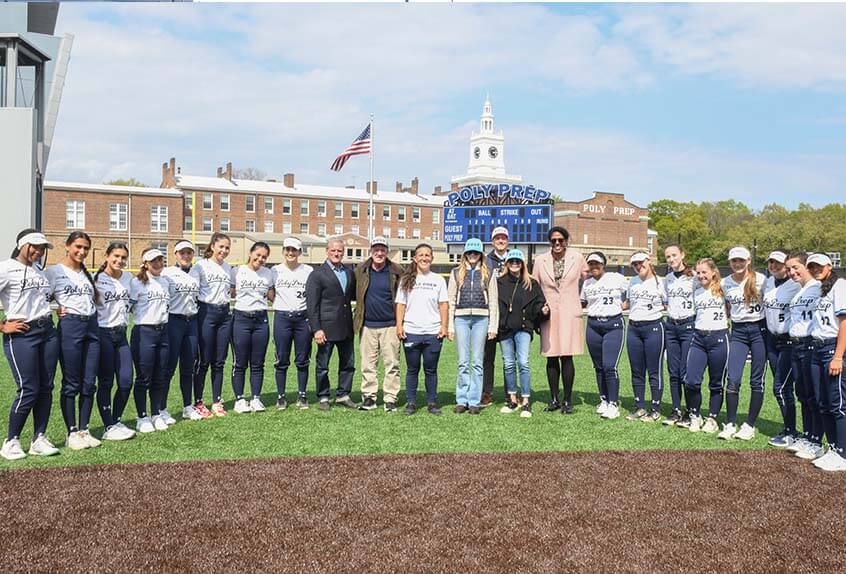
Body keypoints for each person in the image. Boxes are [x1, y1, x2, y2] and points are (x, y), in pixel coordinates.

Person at [0, 230, 60, 460]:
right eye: (35, 246)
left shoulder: (39, 271)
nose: (39, 251)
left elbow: (44, 299)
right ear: (23, 245)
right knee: (28, 388)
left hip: (47, 331)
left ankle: (39, 438)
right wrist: (3, 326)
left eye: (43, 248)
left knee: (46, 387)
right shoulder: (6, 268)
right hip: (23, 334)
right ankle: (11, 441)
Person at [46, 231, 102, 450]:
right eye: (78, 246)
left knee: (89, 382)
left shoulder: (88, 275)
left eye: (86, 248)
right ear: (67, 246)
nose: (82, 251)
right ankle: (72, 432)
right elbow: (41, 298)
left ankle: (84, 429)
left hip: (91, 326)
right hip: (70, 328)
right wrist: (56, 308)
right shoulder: (55, 272)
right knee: (71, 382)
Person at [532, 227, 589, 414]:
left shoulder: (578, 258)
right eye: (553, 240)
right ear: (549, 242)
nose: (557, 244)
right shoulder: (540, 261)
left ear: (566, 241)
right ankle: (554, 398)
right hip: (549, 314)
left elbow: (589, 280)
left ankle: (567, 400)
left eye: (561, 240)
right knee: (551, 356)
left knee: (567, 355)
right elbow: (535, 287)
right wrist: (539, 311)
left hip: (570, 313)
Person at [720, 246, 767, 440]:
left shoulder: (762, 280)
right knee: (733, 379)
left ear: (748, 261)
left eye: (741, 260)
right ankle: (730, 423)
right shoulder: (724, 283)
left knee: (756, 380)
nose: (737, 264)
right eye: (734, 261)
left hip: (759, 330)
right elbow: (725, 306)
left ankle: (750, 425)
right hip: (738, 332)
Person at [396, 243, 449, 416]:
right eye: (421, 255)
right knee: (412, 369)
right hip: (412, 331)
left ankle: (432, 402)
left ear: (432, 258)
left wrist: (444, 326)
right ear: (415, 258)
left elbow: (443, 305)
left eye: (427, 255)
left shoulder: (438, 279)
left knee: (430, 369)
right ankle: (411, 402)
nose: (424, 258)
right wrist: (399, 325)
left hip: (433, 332)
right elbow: (401, 304)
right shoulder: (406, 279)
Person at [305, 238, 358, 411]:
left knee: (348, 364)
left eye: (340, 251)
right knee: (323, 366)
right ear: (327, 251)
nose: (337, 254)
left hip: (345, 326)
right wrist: (316, 329)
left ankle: (343, 395)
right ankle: (323, 396)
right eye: (333, 251)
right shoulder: (317, 274)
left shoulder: (349, 273)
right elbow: (312, 305)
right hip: (325, 328)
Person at [448, 238, 498, 415]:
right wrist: (450, 326)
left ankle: (474, 401)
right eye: (470, 252)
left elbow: (493, 301)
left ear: (481, 254)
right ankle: (462, 400)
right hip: (461, 319)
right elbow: (451, 300)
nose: (472, 256)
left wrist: (493, 326)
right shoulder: (455, 273)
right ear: (465, 254)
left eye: (476, 253)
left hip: (481, 319)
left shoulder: (488, 273)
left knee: (477, 362)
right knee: (463, 362)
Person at [806, 253, 846, 471]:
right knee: (823, 402)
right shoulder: (821, 289)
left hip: (832, 348)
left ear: (829, 266)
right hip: (818, 348)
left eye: (819, 266)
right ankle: (832, 448)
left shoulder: (840, 286)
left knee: (837, 403)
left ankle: (843, 453)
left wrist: (838, 356)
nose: (815, 269)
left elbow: (844, 323)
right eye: (811, 266)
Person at [353, 236, 402, 412]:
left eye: (382, 250)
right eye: (376, 249)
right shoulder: (361, 270)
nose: (379, 253)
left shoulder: (397, 271)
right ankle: (369, 397)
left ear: (387, 252)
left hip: (390, 324)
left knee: (392, 363)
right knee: (368, 364)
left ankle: (390, 398)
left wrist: (400, 323)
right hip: (367, 325)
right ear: (371, 251)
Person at [93, 242, 136, 441]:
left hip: (121, 334)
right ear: (107, 256)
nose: (119, 261)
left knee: (126, 381)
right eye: (116, 256)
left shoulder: (128, 278)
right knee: (106, 382)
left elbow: (136, 301)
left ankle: (116, 420)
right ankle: (108, 425)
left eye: (123, 258)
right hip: (103, 334)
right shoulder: (96, 279)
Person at [497, 249, 547, 418]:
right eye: (511, 261)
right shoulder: (499, 282)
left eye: (518, 262)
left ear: (523, 264)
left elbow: (540, 303)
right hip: (505, 330)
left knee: (523, 363)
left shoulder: (531, 283)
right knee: (509, 364)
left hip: (524, 329)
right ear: (507, 263)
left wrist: (543, 310)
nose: (514, 264)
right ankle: (512, 399)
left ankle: (526, 401)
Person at [783, 252, 823, 459]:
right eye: (788, 269)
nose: (792, 272)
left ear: (806, 266)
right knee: (803, 395)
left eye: (795, 267)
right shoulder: (800, 291)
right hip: (796, 345)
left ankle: (817, 440)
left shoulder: (818, 288)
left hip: (810, 344)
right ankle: (808, 436)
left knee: (814, 396)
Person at [191, 232, 235, 417]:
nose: (224, 251)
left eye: (227, 248)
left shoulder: (228, 268)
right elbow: (192, 291)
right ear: (212, 246)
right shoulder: (201, 266)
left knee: (219, 360)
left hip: (224, 314)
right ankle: (199, 402)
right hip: (206, 312)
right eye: (221, 247)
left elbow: (231, 291)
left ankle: (217, 401)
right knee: (204, 360)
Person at [580, 251, 628, 420]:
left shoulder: (616, 278)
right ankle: (604, 399)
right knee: (598, 366)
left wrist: (625, 303)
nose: (594, 266)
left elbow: (632, 290)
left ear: (603, 264)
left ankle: (613, 403)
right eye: (591, 264)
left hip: (613, 324)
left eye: (597, 263)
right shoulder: (587, 283)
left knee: (610, 366)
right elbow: (583, 302)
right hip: (593, 324)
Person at [685, 258, 730, 434]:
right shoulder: (695, 290)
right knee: (691, 381)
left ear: (713, 272)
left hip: (719, 338)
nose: (701, 275)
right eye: (699, 272)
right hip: (698, 338)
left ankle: (712, 418)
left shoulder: (723, 288)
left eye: (705, 272)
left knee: (716, 383)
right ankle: (695, 415)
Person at [162, 240, 204, 421]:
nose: (186, 256)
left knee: (188, 367)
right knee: (169, 367)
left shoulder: (197, 272)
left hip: (192, 322)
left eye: (189, 253)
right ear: (175, 254)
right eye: (182, 253)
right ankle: (161, 409)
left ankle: (188, 406)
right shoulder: (167, 273)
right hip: (174, 321)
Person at [130, 248, 171, 433]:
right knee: (144, 378)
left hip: (163, 331)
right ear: (145, 263)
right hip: (144, 331)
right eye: (152, 261)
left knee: (160, 376)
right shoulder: (136, 283)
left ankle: (156, 413)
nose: (157, 264)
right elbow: (128, 307)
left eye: (160, 260)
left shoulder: (165, 282)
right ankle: (142, 416)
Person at [762, 250, 801, 447]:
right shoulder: (768, 282)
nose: (774, 266)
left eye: (778, 263)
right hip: (772, 340)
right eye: (771, 262)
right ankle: (790, 429)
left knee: (781, 387)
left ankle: (791, 431)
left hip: (789, 340)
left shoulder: (796, 284)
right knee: (783, 388)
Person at [231, 242, 275, 414]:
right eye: (258, 255)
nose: (260, 259)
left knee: (258, 363)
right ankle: (240, 399)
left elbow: (272, 296)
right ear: (250, 253)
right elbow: (230, 292)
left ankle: (256, 398)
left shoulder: (268, 273)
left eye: (264, 257)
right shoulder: (237, 271)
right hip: (241, 318)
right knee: (240, 362)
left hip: (260, 319)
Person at [625, 251, 667, 422]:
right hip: (634, 328)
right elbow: (627, 303)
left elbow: (668, 303)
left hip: (654, 327)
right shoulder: (632, 282)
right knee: (637, 371)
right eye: (634, 264)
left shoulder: (660, 283)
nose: (638, 266)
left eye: (640, 262)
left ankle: (655, 408)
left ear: (649, 261)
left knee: (654, 370)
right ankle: (639, 406)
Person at [272, 237, 313, 410]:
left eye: (294, 250)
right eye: (287, 249)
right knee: (281, 358)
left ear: (299, 252)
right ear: (283, 251)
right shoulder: (274, 270)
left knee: (302, 359)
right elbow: (269, 291)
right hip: (282, 317)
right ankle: (281, 396)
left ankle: (302, 395)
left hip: (302, 318)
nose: (290, 253)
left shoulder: (308, 270)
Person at [663, 244, 696, 426]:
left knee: (686, 371)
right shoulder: (667, 279)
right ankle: (676, 409)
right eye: (668, 257)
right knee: (673, 371)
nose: (671, 259)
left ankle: (690, 411)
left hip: (688, 326)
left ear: (682, 254)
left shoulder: (694, 277)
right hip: (671, 327)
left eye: (674, 255)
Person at [482, 226, 510, 407]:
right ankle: (487, 392)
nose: (500, 241)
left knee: (509, 358)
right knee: (487, 357)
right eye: (497, 238)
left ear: (508, 240)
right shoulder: (484, 259)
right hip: (490, 313)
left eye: (503, 238)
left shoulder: (515, 258)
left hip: (509, 314)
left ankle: (511, 392)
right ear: (492, 241)